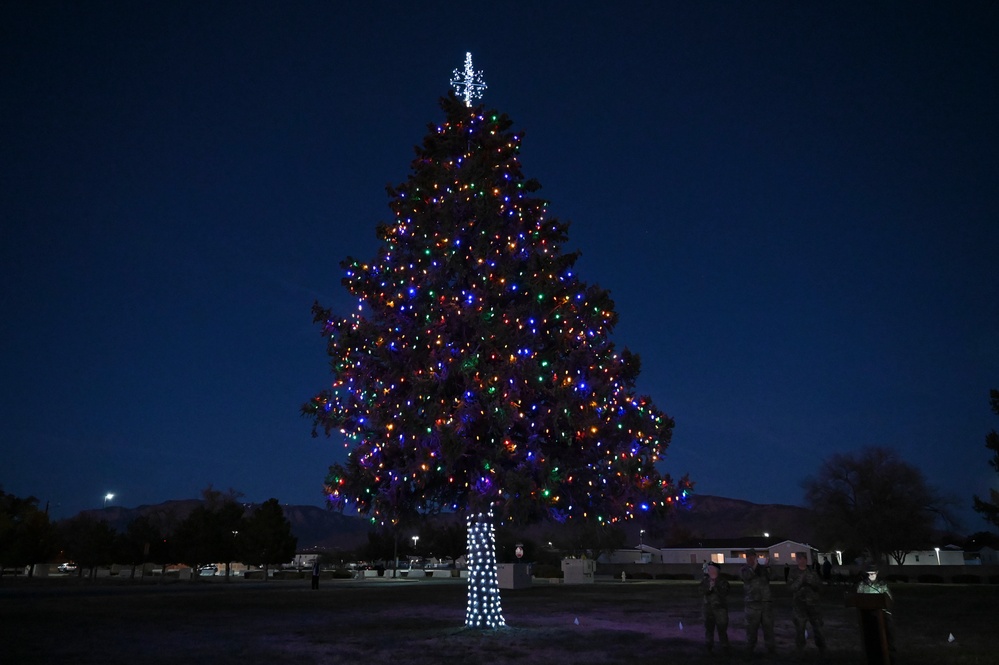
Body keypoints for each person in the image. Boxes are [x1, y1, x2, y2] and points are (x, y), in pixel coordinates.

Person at [789, 552, 826, 658]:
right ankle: (800, 652)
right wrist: (801, 581)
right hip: (799, 607)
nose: (802, 560)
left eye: (804, 558)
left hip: (813, 606)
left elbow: (820, 588)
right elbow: (790, 588)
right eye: (800, 558)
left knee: (818, 629)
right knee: (800, 630)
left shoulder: (812, 572)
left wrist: (813, 584)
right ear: (797, 560)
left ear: (806, 560)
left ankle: (822, 650)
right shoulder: (793, 573)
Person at [856, 563, 895, 663]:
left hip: (883, 614)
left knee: (888, 634)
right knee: (869, 637)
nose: (871, 576)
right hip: (867, 615)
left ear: (877, 573)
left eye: (873, 573)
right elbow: (858, 599)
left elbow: (889, 599)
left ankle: (889, 656)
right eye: (869, 574)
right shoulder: (862, 584)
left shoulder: (882, 584)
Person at [740, 548, 776, 656]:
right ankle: (749, 651)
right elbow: (747, 577)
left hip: (765, 603)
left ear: (755, 557)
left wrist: (767, 566)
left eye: (752, 556)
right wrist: (754, 566)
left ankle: (771, 651)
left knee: (768, 629)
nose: (750, 559)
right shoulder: (744, 569)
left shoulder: (763, 569)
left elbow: (773, 577)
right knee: (751, 629)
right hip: (752, 604)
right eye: (748, 557)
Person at [700, 562, 730, 655]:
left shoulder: (723, 581)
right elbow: (701, 591)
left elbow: (725, 592)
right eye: (709, 569)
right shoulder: (705, 581)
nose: (709, 570)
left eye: (711, 568)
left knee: (722, 630)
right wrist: (709, 588)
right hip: (708, 610)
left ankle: (725, 648)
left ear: (716, 570)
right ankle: (709, 647)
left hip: (720, 610)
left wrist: (715, 586)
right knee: (709, 629)